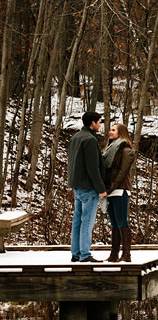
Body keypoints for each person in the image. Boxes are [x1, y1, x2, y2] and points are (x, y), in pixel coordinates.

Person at [68, 111, 107, 263]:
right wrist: (101, 188)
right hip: (88, 187)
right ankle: (84, 254)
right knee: (87, 221)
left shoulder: (75, 137)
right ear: (92, 123)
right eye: (98, 122)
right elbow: (93, 168)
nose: (99, 125)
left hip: (76, 185)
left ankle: (76, 253)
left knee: (77, 220)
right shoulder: (90, 140)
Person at [102, 123, 137, 262]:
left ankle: (126, 254)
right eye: (110, 129)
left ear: (121, 133)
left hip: (121, 190)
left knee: (122, 222)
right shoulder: (110, 150)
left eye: (113, 130)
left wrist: (109, 188)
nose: (110, 132)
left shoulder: (126, 150)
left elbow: (122, 173)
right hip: (110, 190)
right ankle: (114, 254)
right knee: (114, 223)